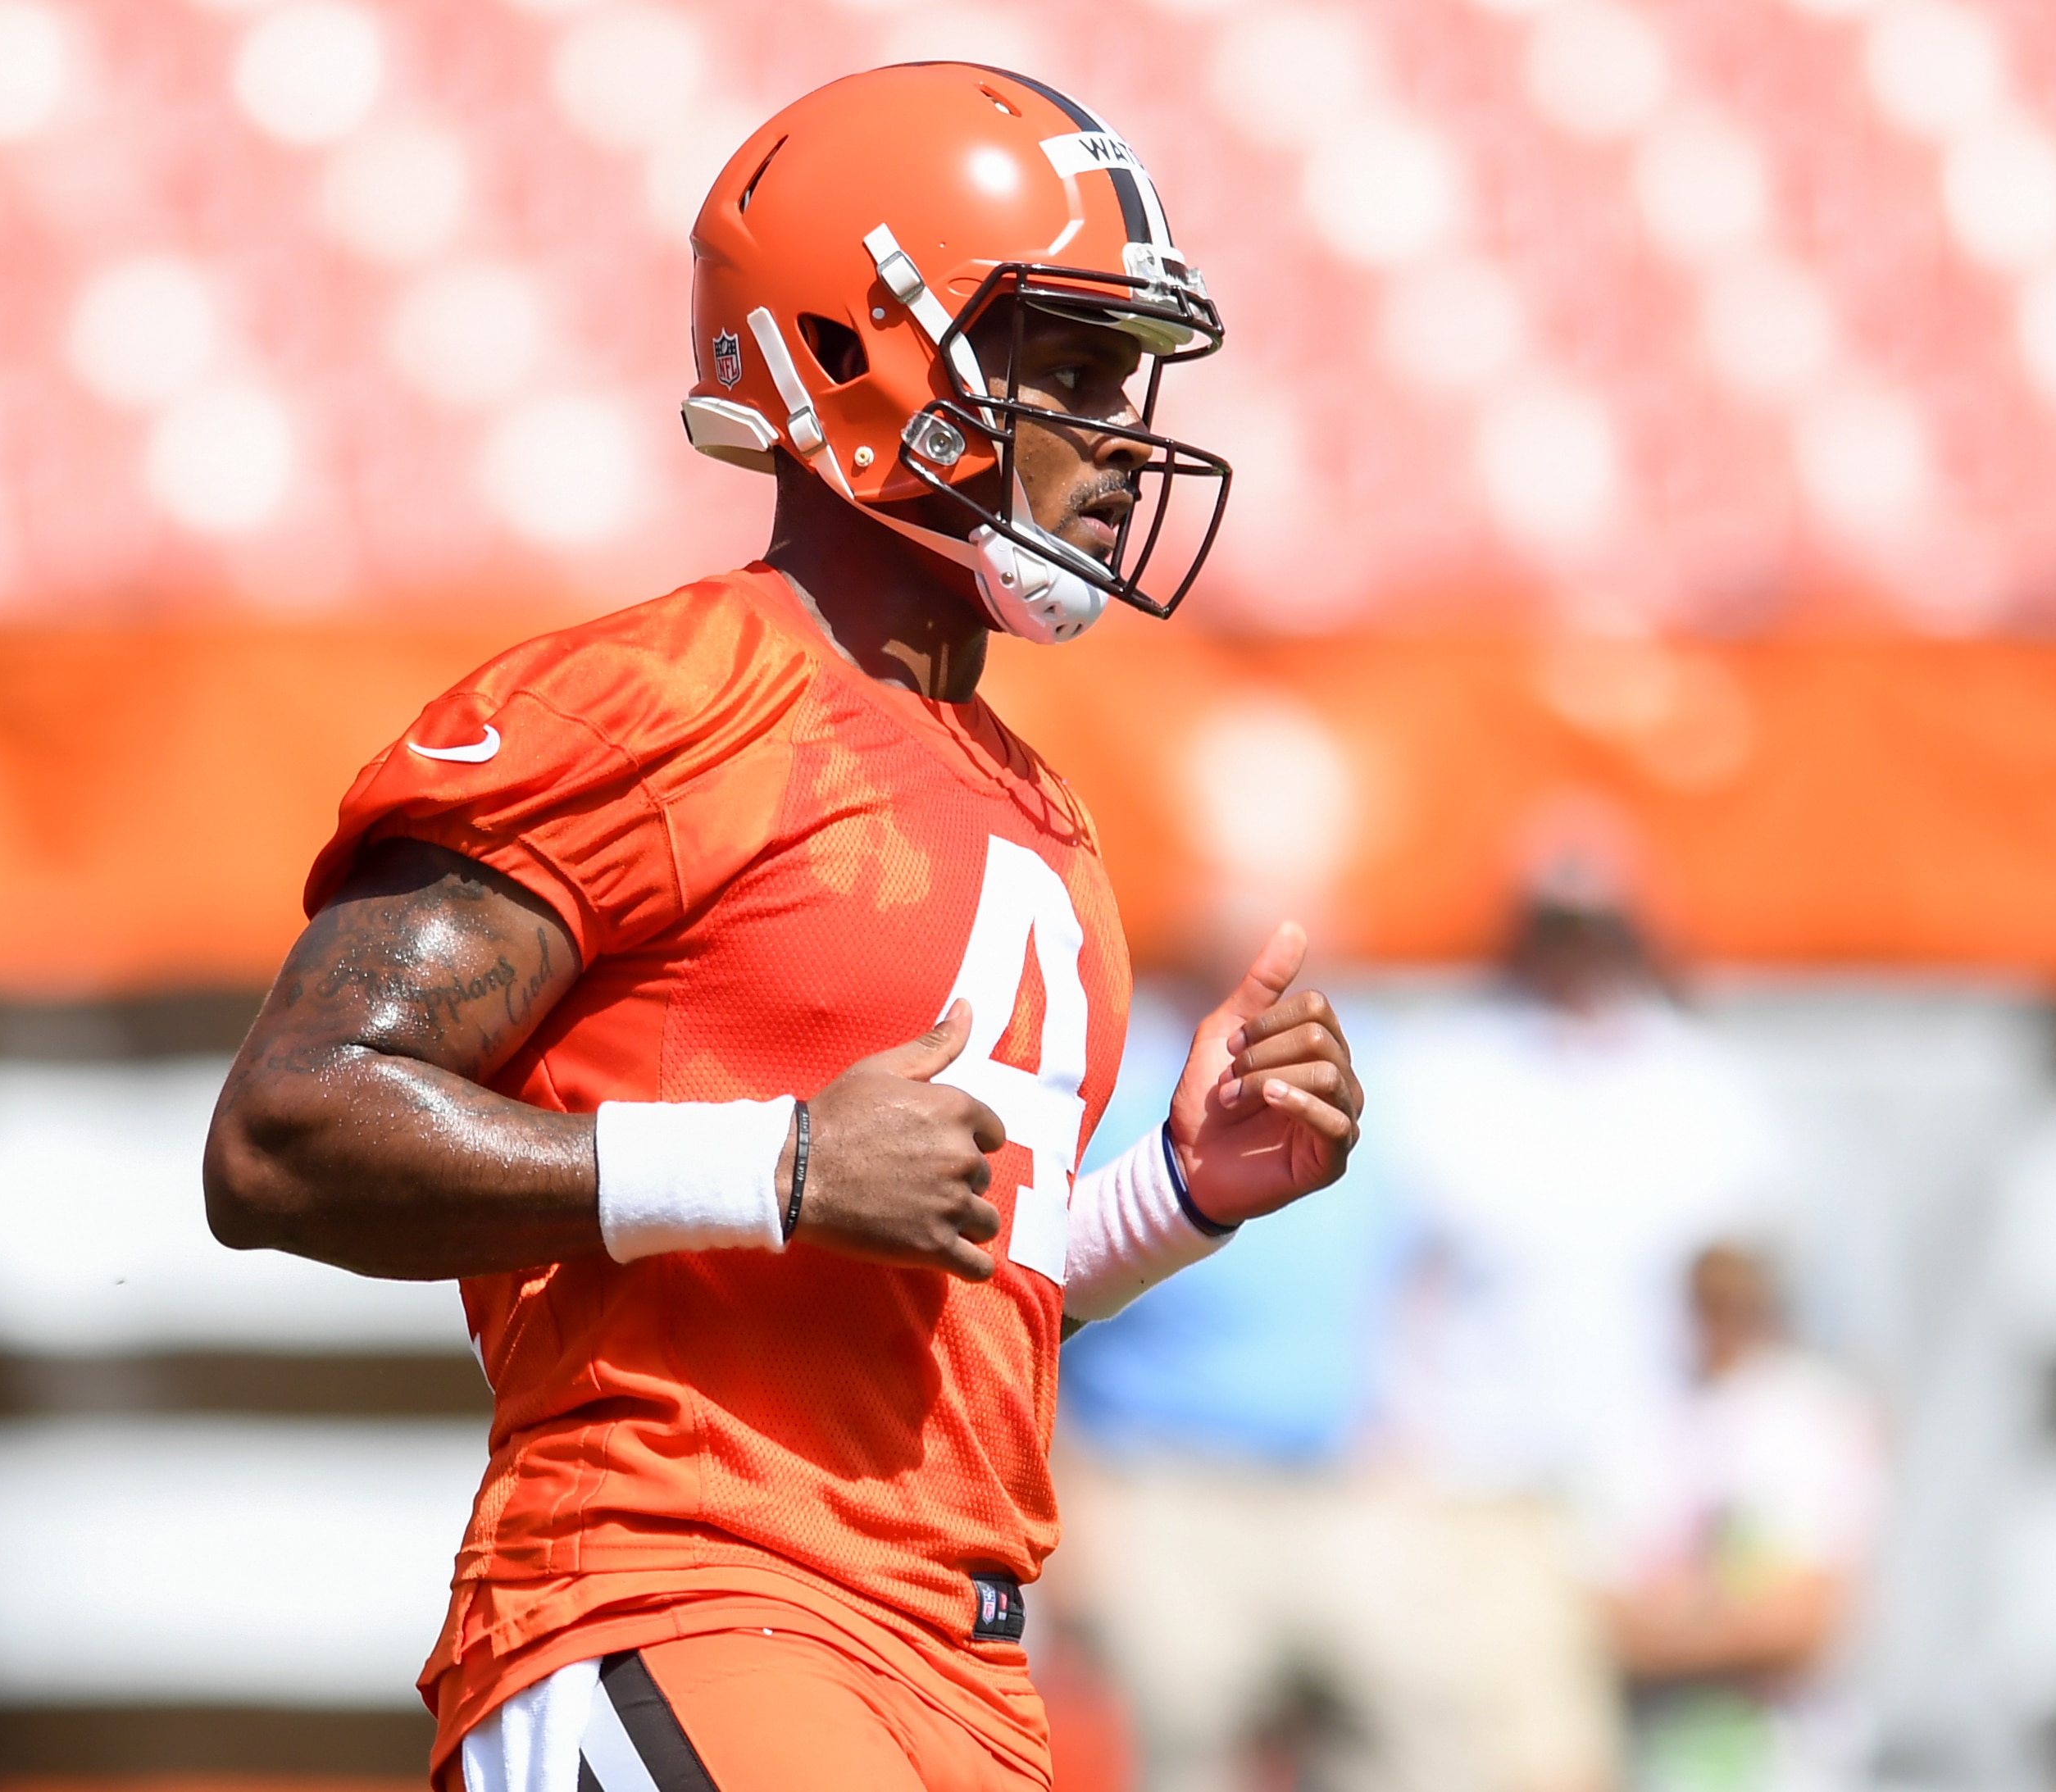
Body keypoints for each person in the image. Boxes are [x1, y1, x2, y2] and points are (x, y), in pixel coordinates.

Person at [200, 64, 1364, 1792]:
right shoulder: (668, 700)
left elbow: (939, 1279)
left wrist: (1177, 1195)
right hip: (681, 1584)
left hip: (949, 1663)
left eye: (1132, 373)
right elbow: (284, 1131)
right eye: (1069, 364)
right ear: (861, 350)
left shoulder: (1031, 802)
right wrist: (775, 1164)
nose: (1121, 436)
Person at [1368, 856, 1790, 1792]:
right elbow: (1396, 1284)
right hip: (1493, 1492)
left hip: (1661, 1493)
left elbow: (1749, 1295)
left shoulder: (1704, 1085)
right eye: (1558, 928)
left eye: (1595, 928)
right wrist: (1403, 1447)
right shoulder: (1448, 1071)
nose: (1576, 956)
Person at [1050, 978, 1438, 1792]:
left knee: (1401, 1744)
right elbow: (1054, 1305)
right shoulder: (1124, 1079)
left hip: (1337, 1484)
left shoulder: (1379, 1074)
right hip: (1166, 1486)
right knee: (1182, 1754)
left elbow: (1410, 1285)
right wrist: (1073, 1510)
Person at [1603, 1244, 1886, 1792]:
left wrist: (1674, 1624)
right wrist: (1720, 1617)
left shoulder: (1813, 1417)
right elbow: (1600, 1618)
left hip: (1789, 1767)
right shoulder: (1645, 1420)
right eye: (1706, 1303)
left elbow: (1805, 1627)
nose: (1718, 1321)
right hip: (1661, 1765)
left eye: (1736, 1302)